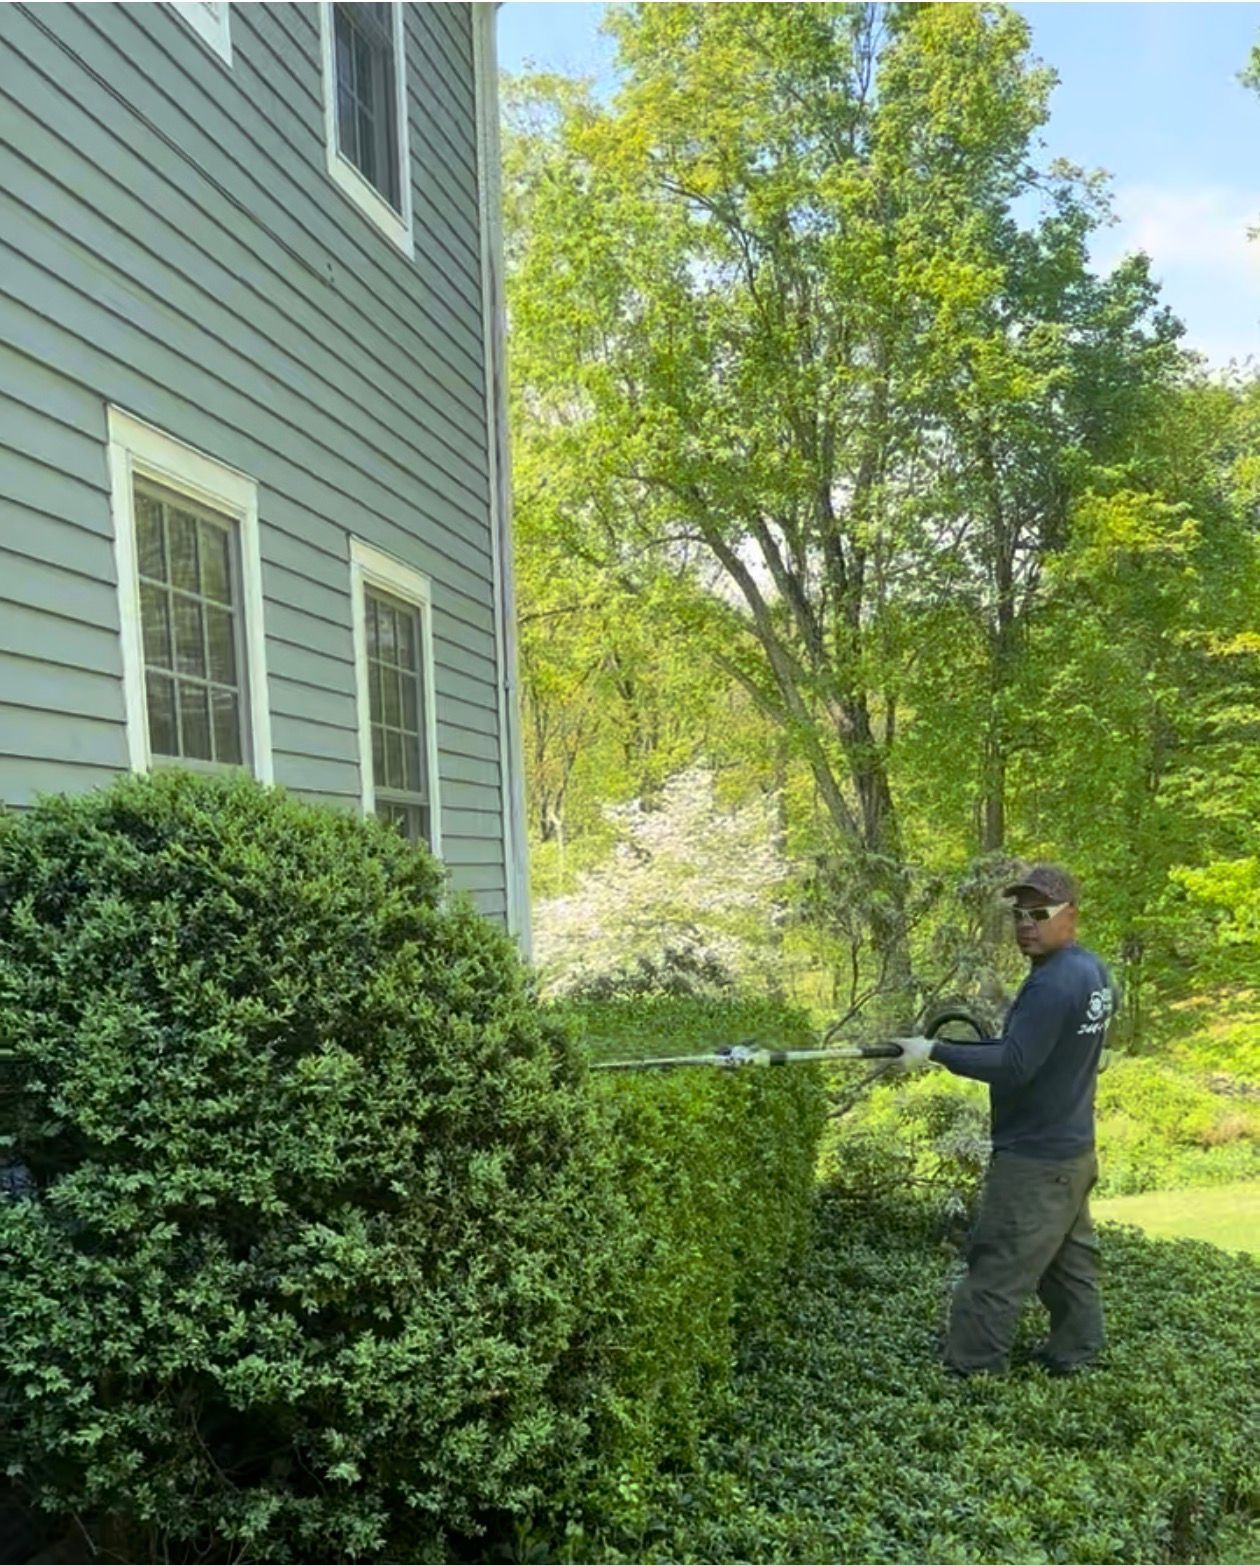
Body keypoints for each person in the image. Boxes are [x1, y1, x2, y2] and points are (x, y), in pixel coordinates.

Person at [895, 864, 1115, 1377]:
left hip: (1036, 1160)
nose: (1025, 923)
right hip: (1074, 1152)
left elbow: (1014, 1065)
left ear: (1071, 917)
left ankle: (972, 1373)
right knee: (1069, 1265)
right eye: (1018, 914)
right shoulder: (1093, 972)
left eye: (1039, 913)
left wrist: (933, 1050)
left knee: (997, 1266)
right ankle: (1077, 1355)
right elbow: (1073, 1045)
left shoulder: (1052, 983)